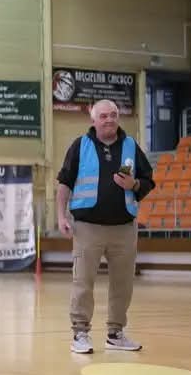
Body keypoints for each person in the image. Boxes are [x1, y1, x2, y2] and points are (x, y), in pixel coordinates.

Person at [56, 99, 154, 354]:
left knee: (123, 284)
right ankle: (80, 333)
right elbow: (64, 183)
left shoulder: (131, 146)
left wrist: (133, 185)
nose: (109, 119)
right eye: (103, 116)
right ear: (93, 119)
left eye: (113, 115)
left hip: (124, 228)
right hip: (87, 228)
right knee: (82, 282)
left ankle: (115, 333)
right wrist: (61, 216)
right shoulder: (80, 145)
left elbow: (148, 181)